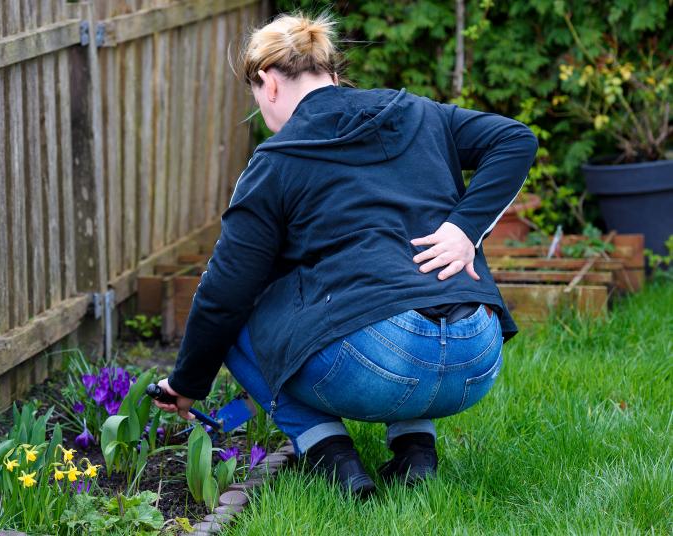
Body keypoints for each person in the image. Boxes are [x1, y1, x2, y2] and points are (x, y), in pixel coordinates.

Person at [152, 12, 538, 496]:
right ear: (332, 74)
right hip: (476, 358)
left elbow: (224, 295)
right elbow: (516, 138)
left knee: (237, 308)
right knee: (388, 292)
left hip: (381, 365)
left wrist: (188, 383)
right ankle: (416, 454)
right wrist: (464, 227)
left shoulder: (277, 160)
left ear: (268, 84)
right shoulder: (417, 112)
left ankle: (332, 456)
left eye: (256, 95)